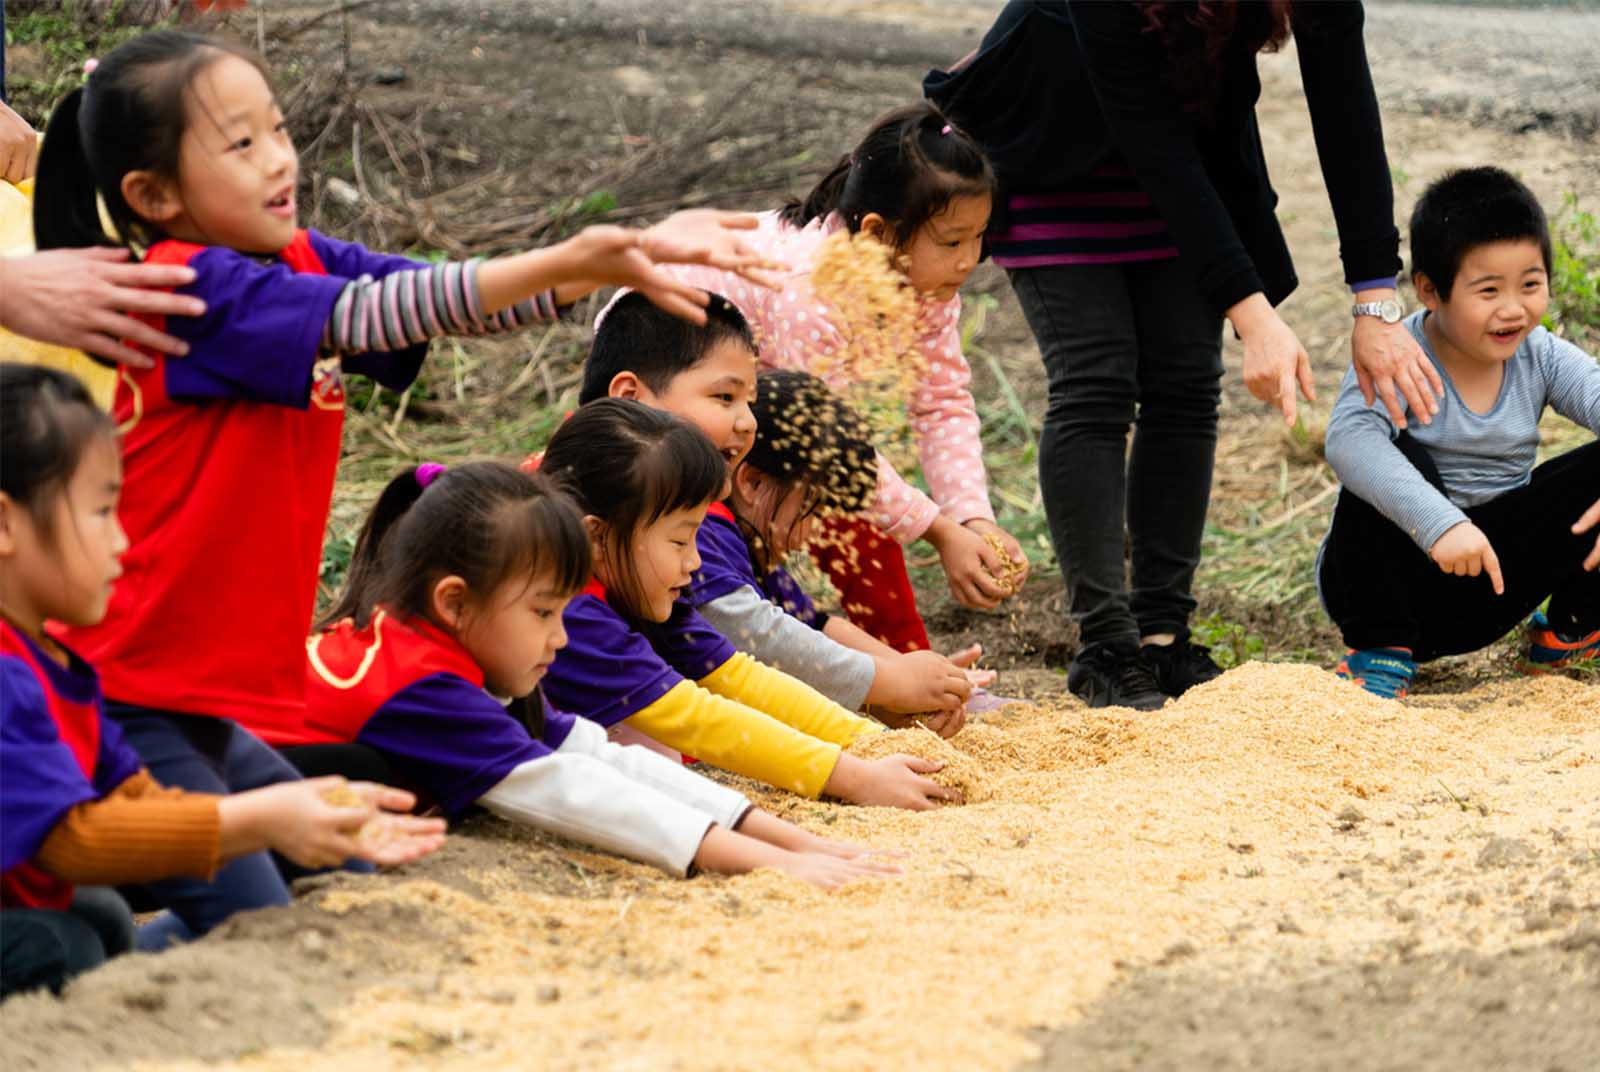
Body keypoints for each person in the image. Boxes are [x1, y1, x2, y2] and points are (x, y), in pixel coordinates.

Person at [33, 30, 771, 948]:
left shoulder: (292, 258)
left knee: (347, 869)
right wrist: (579, 257)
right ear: (154, 196)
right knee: (249, 920)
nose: (280, 159)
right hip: (137, 685)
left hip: (213, 693)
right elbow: (378, 313)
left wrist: (611, 263)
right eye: (241, 143)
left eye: (278, 130)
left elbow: (444, 296)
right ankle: (84, 964)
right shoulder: (191, 290)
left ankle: (96, 930)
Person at [925, 0, 1442, 709]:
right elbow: (1148, 136)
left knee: (1186, 386)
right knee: (1096, 381)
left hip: (1190, 162)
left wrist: (1375, 297)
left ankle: (1162, 637)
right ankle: (1105, 644)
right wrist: (1252, 311)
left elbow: (1344, 99)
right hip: (1049, 143)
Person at [0, 365, 444, 999]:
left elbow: (130, 795)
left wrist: (292, 808)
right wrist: (260, 817)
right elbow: (73, 841)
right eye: (101, 512)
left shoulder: (53, 662)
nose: (123, 541)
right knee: (63, 942)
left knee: (98, 918)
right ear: (7, 525)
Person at [288, 461, 898, 887]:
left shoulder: (445, 650)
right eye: (545, 612)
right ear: (454, 602)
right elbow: (571, 791)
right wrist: (767, 863)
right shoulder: (419, 683)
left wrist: (787, 838)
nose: (561, 635)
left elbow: (595, 755)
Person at [597, 103, 1029, 654]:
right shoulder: (812, 291)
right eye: (951, 241)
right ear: (878, 233)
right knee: (803, 498)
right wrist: (937, 530)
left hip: (747, 385)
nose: (970, 260)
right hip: (665, 360)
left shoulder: (927, 290)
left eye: (979, 238)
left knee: (847, 491)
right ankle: (889, 662)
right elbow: (829, 444)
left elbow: (941, 403)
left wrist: (971, 518)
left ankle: (898, 662)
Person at [583, 292, 996, 726]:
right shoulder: (687, 518)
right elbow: (752, 638)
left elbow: (807, 624)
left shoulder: (697, 509)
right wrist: (888, 687)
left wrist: (908, 684)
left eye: (748, 400)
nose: (748, 422)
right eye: (725, 397)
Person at [538, 399, 960, 810]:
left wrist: (868, 741)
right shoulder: (569, 613)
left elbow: (738, 677)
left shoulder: (633, 574)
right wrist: (855, 777)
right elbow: (695, 716)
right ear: (596, 537)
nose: (695, 561)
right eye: (681, 540)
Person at [1320, 167, 1600, 699]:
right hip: (1391, 585)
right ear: (1430, 290)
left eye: (1530, 284)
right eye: (1488, 290)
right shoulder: (1396, 355)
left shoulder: (1540, 354)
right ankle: (1379, 654)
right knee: (1388, 451)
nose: (1514, 309)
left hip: (1491, 584)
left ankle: (1570, 631)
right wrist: (1439, 525)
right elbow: (1347, 441)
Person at [695, 366, 1001, 735]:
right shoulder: (703, 527)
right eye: (814, 507)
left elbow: (815, 626)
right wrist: (891, 682)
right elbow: (760, 636)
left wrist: (918, 677)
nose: (813, 532)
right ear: (753, 482)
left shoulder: (742, 541)